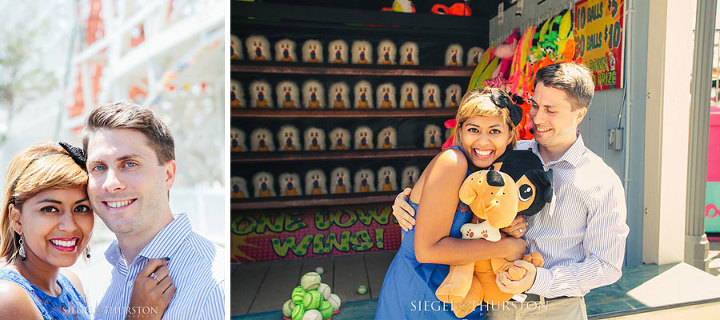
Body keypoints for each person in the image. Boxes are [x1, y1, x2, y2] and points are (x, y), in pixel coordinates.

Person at [392, 62, 629, 320]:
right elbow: (453, 183)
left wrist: (539, 279)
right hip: (493, 306)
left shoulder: (600, 180)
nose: (537, 118)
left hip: (556, 309)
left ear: (579, 114)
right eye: (535, 105)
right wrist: (407, 200)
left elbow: (607, 267)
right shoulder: (507, 151)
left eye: (550, 110)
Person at [375, 88, 529, 319]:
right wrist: (507, 247)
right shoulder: (453, 162)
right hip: (421, 290)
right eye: (473, 130)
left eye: (494, 131)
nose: (483, 141)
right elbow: (426, 251)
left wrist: (508, 226)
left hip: (461, 295)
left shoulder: (494, 171)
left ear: (509, 135)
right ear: (459, 132)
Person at [82, 101, 224, 320]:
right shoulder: (93, 281)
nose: (111, 184)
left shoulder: (215, 286)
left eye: (129, 164)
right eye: (99, 167)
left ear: (167, 174)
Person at [0, 143, 173, 320]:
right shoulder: (8, 297)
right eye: (50, 209)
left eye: (81, 208)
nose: (69, 226)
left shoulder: (71, 284)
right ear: (16, 219)